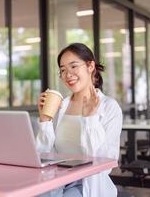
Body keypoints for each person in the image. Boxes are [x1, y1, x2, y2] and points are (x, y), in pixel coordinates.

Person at [36, 43, 122, 197]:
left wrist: (90, 119)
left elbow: (104, 163)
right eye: (63, 70)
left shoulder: (109, 107)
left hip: (88, 183)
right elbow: (44, 155)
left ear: (90, 66)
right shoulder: (60, 106)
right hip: (58, 179)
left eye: (74, 66)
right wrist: (45, 121)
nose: (68, 74)